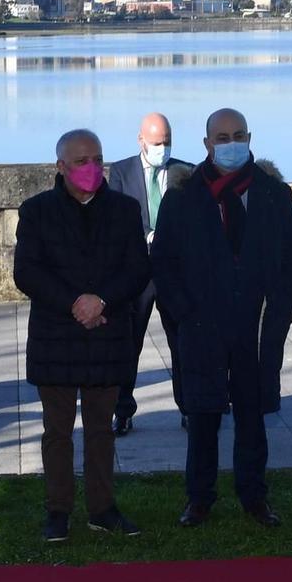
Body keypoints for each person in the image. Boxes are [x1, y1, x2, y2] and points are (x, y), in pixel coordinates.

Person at [151, 108, 292, 527]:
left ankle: (254, 495)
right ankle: (199, 498)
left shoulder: (273, 192)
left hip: (255, 326)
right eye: (221, 137)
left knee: (252, 417)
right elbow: (162, 262)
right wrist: (184, 314)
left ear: (250, 137)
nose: (230, 143)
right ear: (206, 144)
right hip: (202, 325)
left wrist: (281, 313)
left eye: (238, 135)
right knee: (201, 416)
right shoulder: (183, 197)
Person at [15, 130, 151, 541]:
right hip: (56, 336)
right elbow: (28, 272)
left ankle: (102, 508)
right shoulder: (36, 211)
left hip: (106, 335)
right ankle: (58, 511)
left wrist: (101, 301)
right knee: (57, 432)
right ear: (60, 167)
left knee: (101, 430)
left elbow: (138, 269)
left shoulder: (125, 210)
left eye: (97, 158)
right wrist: (76, 303)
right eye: (81, 161)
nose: (92, 168)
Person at [105, 112, 192, 433]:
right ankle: (123, 411)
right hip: (136, 274)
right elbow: (115, 218)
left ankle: (188, 407)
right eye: (157, 143)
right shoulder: (121, 172)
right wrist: (148, 234)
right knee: (129, 345)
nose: (163, 149)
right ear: (141, 140)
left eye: (167, 142)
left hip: (173, 273)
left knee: (181, 344)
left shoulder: (186, 173)